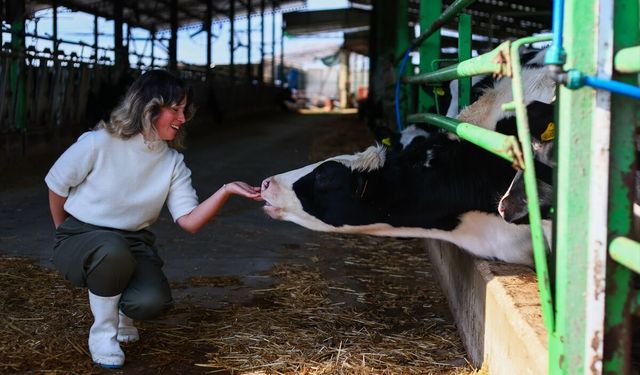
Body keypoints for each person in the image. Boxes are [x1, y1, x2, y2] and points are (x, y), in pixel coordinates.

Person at [45, 69, 262, 369]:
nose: (183, 118)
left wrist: (226, 190)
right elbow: (56, 186)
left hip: (132, 243)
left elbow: (189, 220)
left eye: (185, 110)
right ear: (148, 107)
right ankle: (103, 334)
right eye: (176, 109)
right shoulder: (98, 142)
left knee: (152, 302)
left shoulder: (172, 162)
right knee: (110, 250)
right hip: (81, 236)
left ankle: (123, 311)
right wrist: (62, 231)